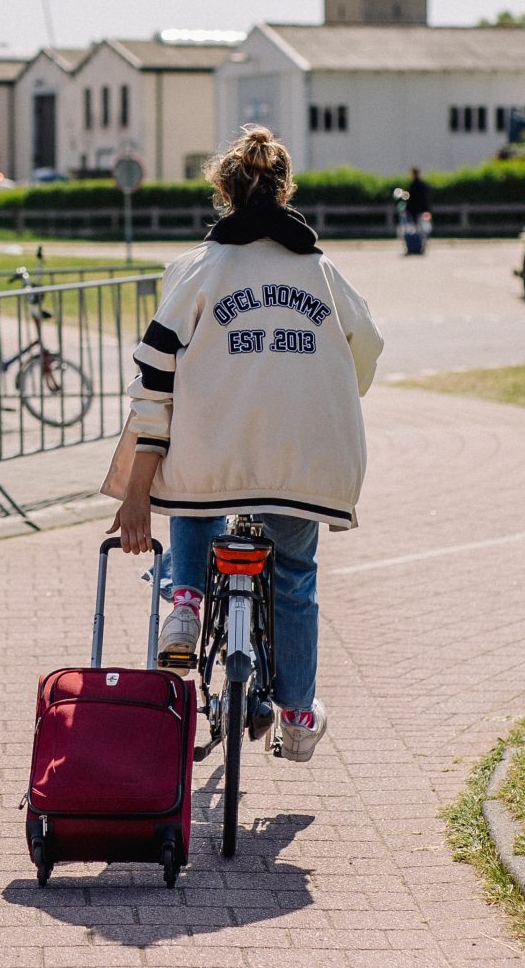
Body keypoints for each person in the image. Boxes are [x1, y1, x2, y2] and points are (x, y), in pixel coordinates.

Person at [109, 126, 384, 764]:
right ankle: (295, 712)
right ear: (286, 189)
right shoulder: (321, 271)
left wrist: (136, 492)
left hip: (213, 458)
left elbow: (155, 377)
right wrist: (335, 387)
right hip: (305, 460)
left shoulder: (198, 270)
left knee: (202, 477)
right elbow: (365, 351)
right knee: (293, 578)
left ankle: (184, 598)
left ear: (223, 194)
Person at [401, 165, 433, 256]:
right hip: (424, 210)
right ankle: (422, 246)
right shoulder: (423, 185)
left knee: (416, 229)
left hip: (415, 212)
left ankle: (415, 246)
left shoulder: (412, 185)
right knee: (424, 229)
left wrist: (407, 210)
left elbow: (409, 199)